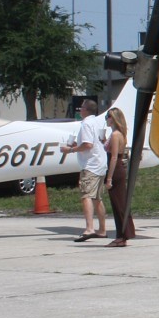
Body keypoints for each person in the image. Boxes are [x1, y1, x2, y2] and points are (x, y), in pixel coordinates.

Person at [61, 99, 108, 241]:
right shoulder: (98, 122)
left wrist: (70, 149)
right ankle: (102, 229)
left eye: (81, 108)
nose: (79, 110)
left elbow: (88, 145)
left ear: (86, 110)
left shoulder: (86, 124)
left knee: (86, 195)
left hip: (90, 165)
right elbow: (96, 141)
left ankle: (89, 228)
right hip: (100, 164)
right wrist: (78, 145)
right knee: (97, 198)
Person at [103, 108, 137, 248]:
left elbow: (114, 157)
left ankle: (122, 235)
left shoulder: (116, 135)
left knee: (119, 204)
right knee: (119, 204)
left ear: (114, 118)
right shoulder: (117, 134)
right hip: (116, 168)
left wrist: (109, 178)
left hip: (115, 169)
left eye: (109, 117)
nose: (107, 119)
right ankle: (122, 234)